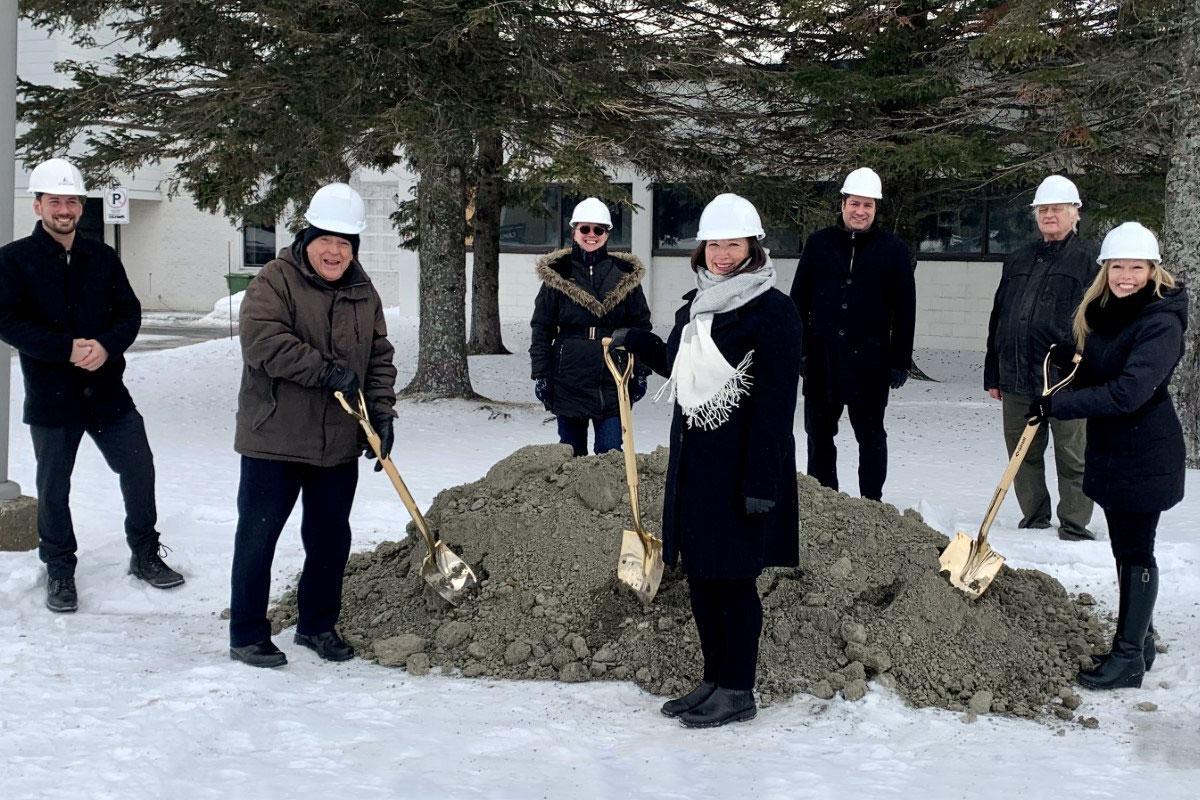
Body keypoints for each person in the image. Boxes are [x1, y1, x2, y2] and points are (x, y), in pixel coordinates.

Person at [612, 193, 802, 728]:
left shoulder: (774, 312)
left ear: (753, 248)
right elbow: (678, 364)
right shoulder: (696, 307)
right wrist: (639, 342)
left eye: (732, 244)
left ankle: (739, 688)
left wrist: (761, 482)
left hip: (743, 471)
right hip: (696, 467)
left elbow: (775, 406)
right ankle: (713, 679)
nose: (721, 254)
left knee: (734, 583)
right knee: (701, 579)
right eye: (713, 244)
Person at [0, 157, 184, 613]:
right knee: (55, 485)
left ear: (81, 207)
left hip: (107, 394)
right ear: (38, 206)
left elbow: (130, 313)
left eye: (72, 201)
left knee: (139, 469)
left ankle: (144, 553)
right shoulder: (14, 260)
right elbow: (6, 321)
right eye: (55, 201)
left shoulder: (101, 256)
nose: (64, 209)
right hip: (51, 397)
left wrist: (104, 345)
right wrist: (64, 349)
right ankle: (60, 569)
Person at [229, 182, 397, 668]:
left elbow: (379, 358)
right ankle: (246, 633)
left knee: (329, 537)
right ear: (307, 238)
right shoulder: (275, 279)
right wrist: (325, 370)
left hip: (337, 442)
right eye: (326, 238)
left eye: (345, 242)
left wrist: (382, 414)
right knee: (258, 536)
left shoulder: (364, 291)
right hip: (274, 437)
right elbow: (262, 342)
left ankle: (317, 626)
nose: (334, 250)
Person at [1028, 222, 1185, 690]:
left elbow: (1129, 393)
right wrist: (1067, 364)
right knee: (1124, 550)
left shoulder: (1161, 321)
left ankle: (1128, 660)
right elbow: (1101, 372)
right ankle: (1140, 640)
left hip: (1146, 451)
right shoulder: (1105, 312)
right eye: (1118, 266)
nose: (1126, 276)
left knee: (1137, 552)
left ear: (1153, 270)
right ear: (1105, 270)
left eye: (1137, 267)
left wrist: (1062, 404)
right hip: (1115, 449)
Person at [789, 167, 915, 501]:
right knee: (818, 433)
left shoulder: (894, 250)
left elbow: (905, 310)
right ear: (843, 204)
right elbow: (798, 300)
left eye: (868, 206)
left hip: (871, 362)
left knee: (871, 435)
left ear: (876, 209)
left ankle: (871, 502)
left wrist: (901, 359)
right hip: (821, 359)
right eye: (854, 204)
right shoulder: (818, 245)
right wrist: (798, 351)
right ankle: (825, 498)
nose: (860, 211)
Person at [984, 175, 1098, 540]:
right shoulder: (1019, 258)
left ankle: (1075, 526)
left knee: (1072, 456)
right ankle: (1034, 519)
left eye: (1057, 209)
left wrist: (1088, 365)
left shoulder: (1090, 261)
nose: (1049, 215)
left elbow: (1099, 321)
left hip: (1066, 380)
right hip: (1016, 375)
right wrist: (993, 373)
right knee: (1023, 455)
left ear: (1075, 212)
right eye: (1043, 209)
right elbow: (999, 315)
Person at [530, 197, 652, 456]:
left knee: (610, 452)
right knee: (571, 452)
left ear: (607, 234)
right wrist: (541, 374)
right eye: (585, 229)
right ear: (574, 231)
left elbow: (640, 327)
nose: (591, 235)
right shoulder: (559, 275)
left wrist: (640, 372)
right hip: (568, 376)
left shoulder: (624, 275)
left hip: (612, 375)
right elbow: (541, 328)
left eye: (599, 229)